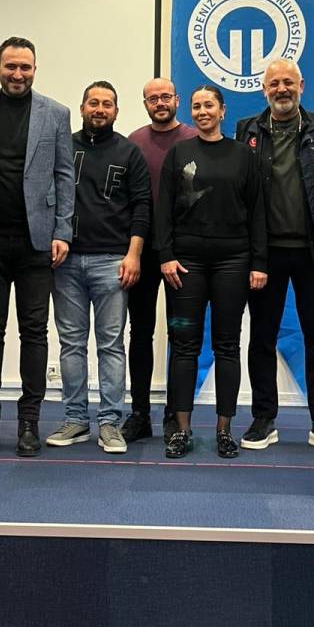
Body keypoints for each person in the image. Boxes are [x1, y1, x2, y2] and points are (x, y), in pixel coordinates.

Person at [0, 37, 74, 458]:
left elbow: (64, 175)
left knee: (34, 332)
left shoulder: (56, 113)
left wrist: (63, 231)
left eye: (25, 67)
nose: (18, 74)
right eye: (11, 66)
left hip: (37, 242)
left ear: (35, 69)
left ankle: (29, 423)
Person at [236, 59, 314, 454]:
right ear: (263, 89)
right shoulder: (247, 130)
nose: (281, 89)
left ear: (301, 85)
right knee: (262, 338)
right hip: (265, 253)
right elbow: (243, 194)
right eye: (274, 84)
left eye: (288, 82)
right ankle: (263, 419)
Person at [156, 84, 267, 459]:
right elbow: (163, 209)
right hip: (185, 265)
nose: (202, 111)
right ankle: (182, 430)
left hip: (233, 262)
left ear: (223, 111)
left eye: (209, 105)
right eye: (196, 106)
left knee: (227, 345)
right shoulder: (179, 153)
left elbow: (257, 211)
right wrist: (166, 255)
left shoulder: (243, 155)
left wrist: (259, 262)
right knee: (183, 345)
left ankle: (224, 430)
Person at [47, 81, 151, 454]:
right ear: (82, 107)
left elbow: (142, 206)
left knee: (111, 346)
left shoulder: (129, 152)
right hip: (67, 261)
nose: (100, 109)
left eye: (107, 104)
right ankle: (75, 419)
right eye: (94, 102)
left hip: (113, 261)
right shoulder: (63, 147)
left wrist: (133, 254)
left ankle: (110, 423)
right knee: (71, 344)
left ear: (116, 111)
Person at [123, 77, 197, 443]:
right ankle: (139, 413)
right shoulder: (134, 142)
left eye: (166, 96)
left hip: (182, 255)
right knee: (140, 332)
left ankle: (174, 414)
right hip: (143, 252)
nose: (160, 103)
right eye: (153, 98)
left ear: (177, 100)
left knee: (180, 333)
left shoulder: (194, 139)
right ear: (145, 104)